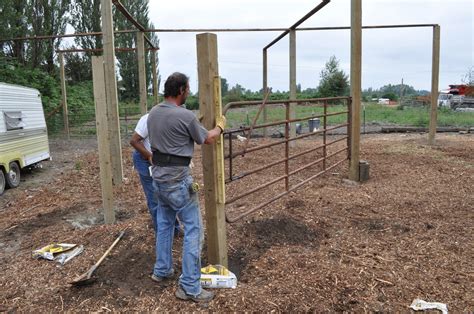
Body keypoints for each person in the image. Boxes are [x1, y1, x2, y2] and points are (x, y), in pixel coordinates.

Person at [147, 72, 225, 302]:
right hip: (178, 181)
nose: (189, 92)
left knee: (164, 224)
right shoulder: (185, 116)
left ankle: (161, 270)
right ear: (181, 90)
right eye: (188, 88)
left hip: (159, 180)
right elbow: (207, 139)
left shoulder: (153, 113)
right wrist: (220, 127)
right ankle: (190, 287)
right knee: (193, 230)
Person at [130, 114, 180, 234]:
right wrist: (149, 156)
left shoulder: (175, 119)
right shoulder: (148, 119)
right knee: (155, 199)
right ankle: (163, 234)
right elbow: (134, 141)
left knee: (169, 194)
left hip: (161, 159)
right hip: (145, 159)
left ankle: (174, 228)